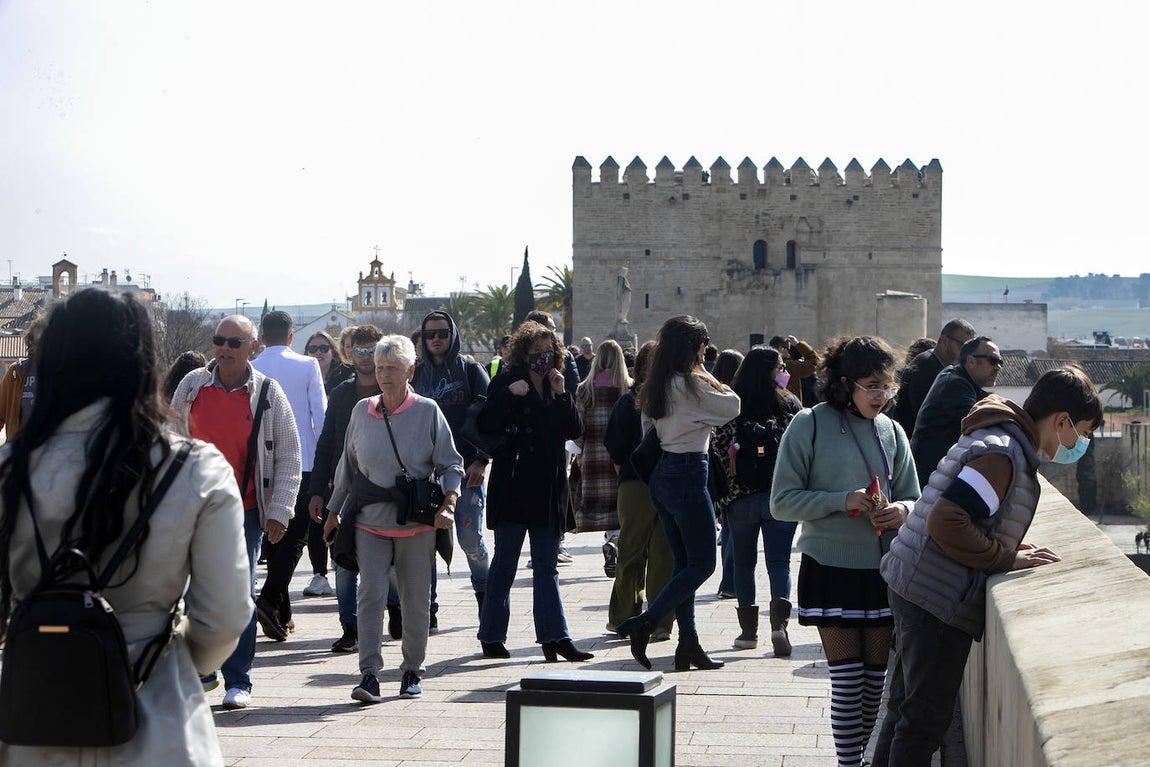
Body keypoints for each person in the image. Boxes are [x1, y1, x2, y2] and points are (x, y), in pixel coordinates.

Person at [0, 288, 252, 764]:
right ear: (143, 364)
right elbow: (224, 614)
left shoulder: (10, 468)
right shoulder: (194, 468)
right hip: (158, 715)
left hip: (34, 716)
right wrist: (172, 663)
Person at [873, 367, 1102, 765]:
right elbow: (946, 520)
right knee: (923, 723)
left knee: (904, 712)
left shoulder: (999, 438)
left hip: (915, 581)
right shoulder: (1003, 454)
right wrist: (1004, 557)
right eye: (1081, 432)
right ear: (1061, 420)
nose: (1079, 442)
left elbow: (970, 514)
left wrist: (1002, 542)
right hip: (936, 596)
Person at [770, 335, 920, 767]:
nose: (883, 395)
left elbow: (914, 494)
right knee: (848, 680)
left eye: (888, 386)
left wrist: (902, 510)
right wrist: (843, 500)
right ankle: (848, 764)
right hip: (829, 567)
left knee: (876, 682)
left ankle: (861, 760)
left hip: (882, 569)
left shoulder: (892, 430)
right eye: (872, 385)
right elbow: (782, 502)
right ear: (843, 383)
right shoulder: (809, 424)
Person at [171, 314, 302, 710]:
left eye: (233, 342)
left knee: (240, 593)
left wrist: (279, 509)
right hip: (193, 507)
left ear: (253, 348)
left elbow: (290, 454)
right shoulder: (192, 385)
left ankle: (238, 679)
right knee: (194, 591)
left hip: (244, 510)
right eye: (219, 340)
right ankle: (204, 669)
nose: (224, 348)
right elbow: (171, 442)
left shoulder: (268, 392)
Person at [323, 335, 462, 702]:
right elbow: (347, 466)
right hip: (369, 520)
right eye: (380, 368)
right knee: (370, 595)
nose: (383, 375)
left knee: (416, 599)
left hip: (416, 523)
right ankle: (368, 673)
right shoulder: (361, 411)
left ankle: (412, 669)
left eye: (392, 368)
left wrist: (448, 504)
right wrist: (334, 510)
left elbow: (451, 463)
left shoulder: (428, 410)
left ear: (410, 371)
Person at [617, 315, 741, 671]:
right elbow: (733, 405)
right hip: (688, 472)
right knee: (703, 563)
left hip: (663, 473)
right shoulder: (692, 384)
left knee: (683, 564)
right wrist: (706, 372)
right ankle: (647, 621)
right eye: (703, 348)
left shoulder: (658, 383)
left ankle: (688, 643)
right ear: (695, 349)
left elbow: (648, 428)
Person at [476, 320, 593, 662]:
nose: (541, 358)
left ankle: (555, 637)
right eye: (534, 353)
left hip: (548, 489)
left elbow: (574, 429)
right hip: (514, 484)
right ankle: (492, 634)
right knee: (505, 564)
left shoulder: (558, 383)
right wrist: (509, 396)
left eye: (547, 352)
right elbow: (486, 423)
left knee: (547, 566)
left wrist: (562, 395)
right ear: (522, 354)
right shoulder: (507, 380)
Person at [712, 346, 802, 656]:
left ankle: (748, 633)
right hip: (780, 497)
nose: (784, 371)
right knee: (779, 563)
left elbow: (720, 449)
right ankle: (779, 626)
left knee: (744, 564)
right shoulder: (789, 404)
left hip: (740, 497)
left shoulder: (732, 404)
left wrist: (724, 495)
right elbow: (800, 452)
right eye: (780, 366)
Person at [309, 324, 385, 653]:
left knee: (388, 564)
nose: (365, 357)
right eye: (359, 350)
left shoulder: (394, 388)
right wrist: (316, 491)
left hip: (386, 489)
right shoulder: (340, 393)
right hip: (343, 487)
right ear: (348, 352)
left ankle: (394, 608)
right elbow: (326, 443)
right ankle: (349, 627)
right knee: (342, 560)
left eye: (372, 351)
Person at [251, 311, 328, 632]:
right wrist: (328, 463)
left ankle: (281, 614)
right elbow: (320, 415)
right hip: (304, 461)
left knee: (273, 537)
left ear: (262, 337)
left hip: (261, 464)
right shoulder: (308, 365)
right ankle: (270, 598)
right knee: (295, 536)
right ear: (291, 337)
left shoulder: (251, 368)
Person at [412, 310, 492, 621]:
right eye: (429, 334)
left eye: (442, 333)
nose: (435, 339)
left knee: (470, 541)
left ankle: (486, 597)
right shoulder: (414, 373)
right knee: (425, 544)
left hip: (466, 472)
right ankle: (427, 609)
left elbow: (491, 417)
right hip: (424, 475)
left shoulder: (471, 370)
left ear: (452, 335)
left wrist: (482, 460)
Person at [603, 340, 674, 641]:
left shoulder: (630, 401)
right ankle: (655, 620)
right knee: (658, 550)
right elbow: (616, 447)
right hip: (656, 481)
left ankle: (628, 617)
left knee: (639, 549)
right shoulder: (671, 401)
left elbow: (616, 447)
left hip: (637, 483)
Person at [910, 336, 1002, 487]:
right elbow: (977, 421)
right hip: (930, 482)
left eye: (1000, 362)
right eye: (993, 360)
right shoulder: (954, 383)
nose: (998, 367)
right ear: (971, 361)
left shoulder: (959, 379)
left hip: (938, 477)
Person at [574, 339, 632, 576]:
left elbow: (578, 430)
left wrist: (580, 450)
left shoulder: (584, 389)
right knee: (623, 506)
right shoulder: (628, 388)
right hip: (624, 458)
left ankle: (612, 539)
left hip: (594, 457)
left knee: (603, 507)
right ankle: (617, 541)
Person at [890, 318, 976, 438]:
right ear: (945, 341)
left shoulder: (938, 365)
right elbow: (929, 418)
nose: (967, 353)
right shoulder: (926, 366)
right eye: (963, 346)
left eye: (970, 348)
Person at [710, 348, 744, 600]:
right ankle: (731, 583)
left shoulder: (713, 396)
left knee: (729, 527)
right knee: (733, 530)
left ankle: (727, 581)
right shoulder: (737, 399)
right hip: (739, 472)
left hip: (719, 471)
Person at [0, 318, 46, 440]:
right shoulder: (15, 373)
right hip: (20, 452)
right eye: (38, 341)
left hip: (52, 454)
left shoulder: (64, 376)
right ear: (30, 343)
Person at [769, 334, 819, 405]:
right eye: (788, 349)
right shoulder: (789, 366)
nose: (789, 354)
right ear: (781, 348)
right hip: (790, 407)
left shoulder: (760, 365)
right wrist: (798, 344)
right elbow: (814, 361)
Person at [306, 330, 354, 395]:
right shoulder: (301, 377)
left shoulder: (348, 373)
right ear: (307, 353)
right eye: (313, 349)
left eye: (323, 348)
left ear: (333, 352)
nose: (318, 352)